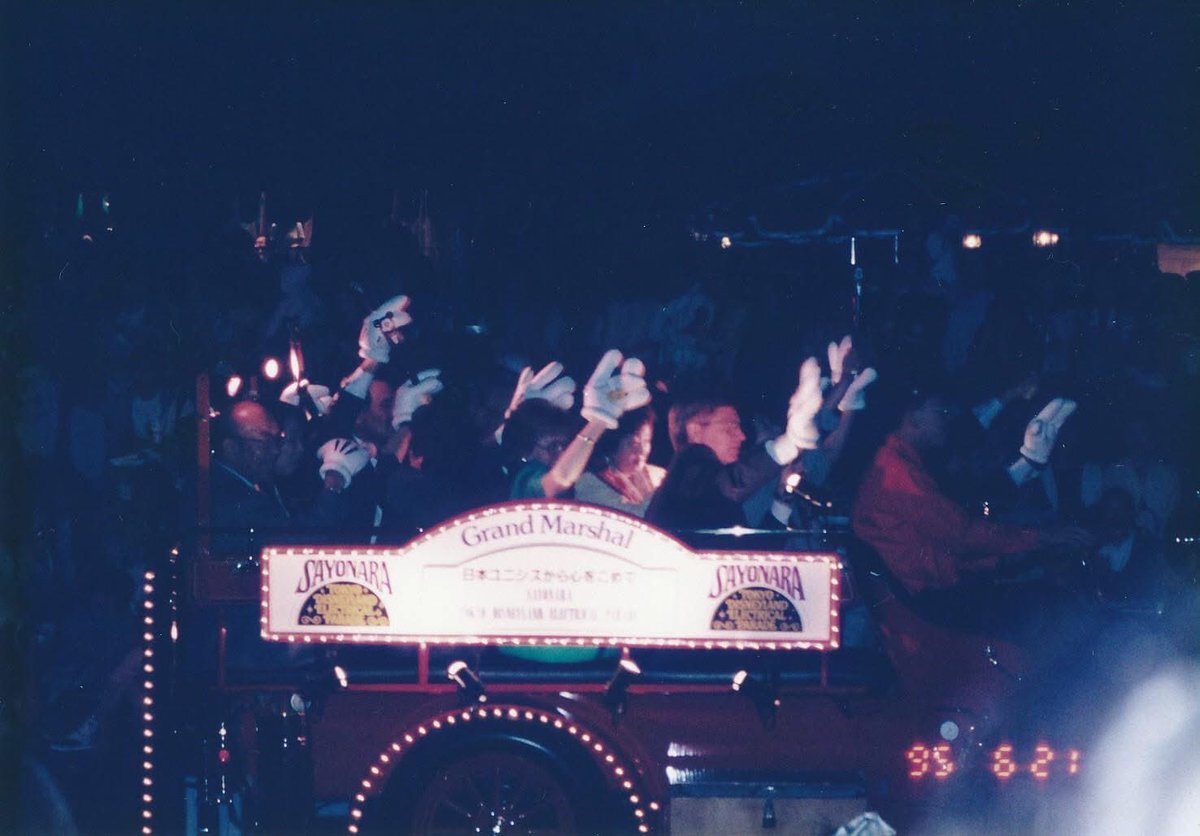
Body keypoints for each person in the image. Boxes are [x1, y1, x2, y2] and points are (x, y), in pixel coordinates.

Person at [850, 388, 1091, 626]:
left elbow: (965, 501)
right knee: (1060, 611)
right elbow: (962, 535)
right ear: (913, 416)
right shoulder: (897, 471)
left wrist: (1030, 460)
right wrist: (1039, 538)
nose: (947, 417)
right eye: (940, 411)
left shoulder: (902, 461)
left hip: (940, 590)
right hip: (932, 602)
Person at [645, 357, 825, 532]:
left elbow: (751, 550)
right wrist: (790, 441)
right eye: (729, 426)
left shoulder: (709, 494)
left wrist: (782, 500)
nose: (741, 436)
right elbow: (730, 483)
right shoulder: (689, 465)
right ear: (695, 432)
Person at [574, 406, 664, 517]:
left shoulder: (657, 475)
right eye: (634, 443)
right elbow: (636, 517)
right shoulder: (590, 484)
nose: (641, 450)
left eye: (646, 441)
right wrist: (662, 493)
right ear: (613, 444)